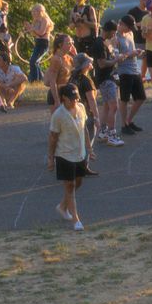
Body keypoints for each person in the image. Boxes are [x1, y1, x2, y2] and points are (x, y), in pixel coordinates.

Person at [47, 82, 90, 230]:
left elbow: (84, 129)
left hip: (80, 153)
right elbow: (53, 137)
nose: (75, 101)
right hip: (64, 155)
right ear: (64, 98)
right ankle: (76, 220)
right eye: (72, 99)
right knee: (70, 186)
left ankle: (62, 207)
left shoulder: (81, 108)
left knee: (78, 183)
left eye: (77, 98)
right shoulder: (58, 115)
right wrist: (50, 158)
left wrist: (89, 148)